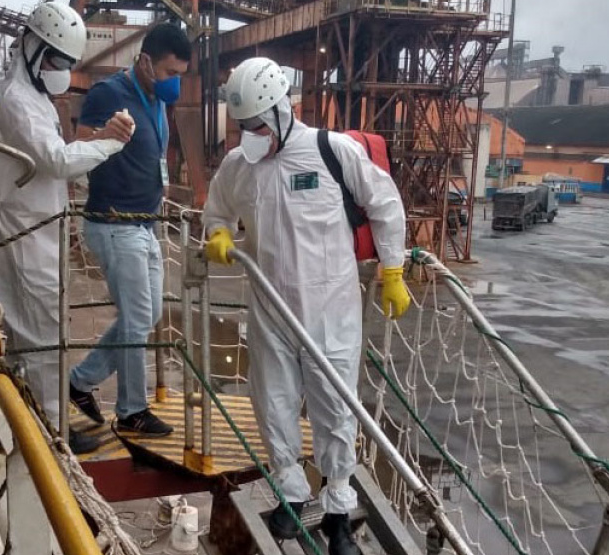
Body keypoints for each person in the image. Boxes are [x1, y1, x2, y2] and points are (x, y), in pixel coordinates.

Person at [202, 58, 411, 555]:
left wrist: (394, 271)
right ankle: (292, 499)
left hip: (330, 307)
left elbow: (385, 205)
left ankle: (339, 512)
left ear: (281, 109)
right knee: (272, 405)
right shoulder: (239, 165)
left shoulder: (330, 151)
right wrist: (217, 234)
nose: (251, 135)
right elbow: (217, 209)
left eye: (257, 125)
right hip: (270, 308)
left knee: (334, 410)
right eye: (243, 127)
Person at [0, 1, 135, 454]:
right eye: (55, 59)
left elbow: (55, 155)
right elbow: (57, 160)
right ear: (31, 47)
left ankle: (36, 421)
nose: (61, 70)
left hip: (35, 227)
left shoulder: (31, 97)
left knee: (35, 333)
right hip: (24, 232)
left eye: (67, 63)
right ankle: (52, 435)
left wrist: (100, 139)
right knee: (43, 335)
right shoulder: (17, 101)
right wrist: (109, 142)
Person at [67, 23, 191, 437]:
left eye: (181, 75)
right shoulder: (108, 94)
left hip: (144, 224)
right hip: (115, 224)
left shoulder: (155, 98)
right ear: (145, 62)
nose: (175, 82)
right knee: (138, 319)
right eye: (170, 72)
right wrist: (103, 135)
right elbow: (80, 150)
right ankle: (132, 410)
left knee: (149, 313)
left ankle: (81, 381)